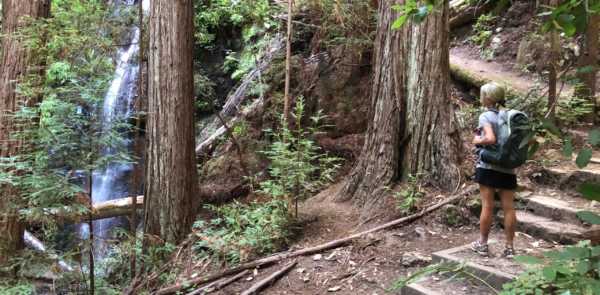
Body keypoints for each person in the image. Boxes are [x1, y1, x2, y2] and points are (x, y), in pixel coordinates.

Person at [470, 82, 517, 258]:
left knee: (487, 206)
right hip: (508, 167)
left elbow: (490, 138)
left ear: (488, 98)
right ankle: (510, 248)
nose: (481, 98)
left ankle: (482, 244)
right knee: (509, 208)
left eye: (483, 95)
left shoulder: (486, 116)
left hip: (489, 166)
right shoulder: (511, 116)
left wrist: (476, 140)